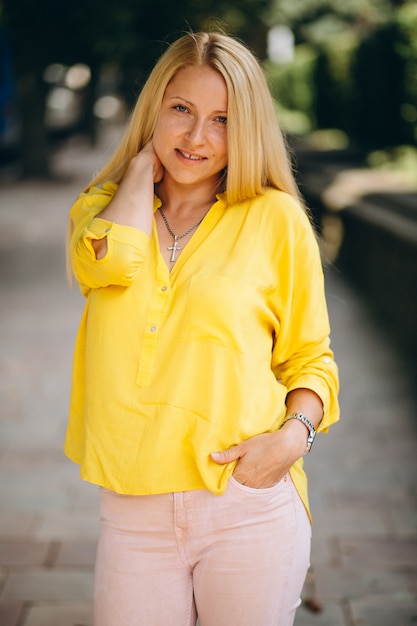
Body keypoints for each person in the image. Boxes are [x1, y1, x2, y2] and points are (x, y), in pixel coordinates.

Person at [65, 30, 339, 626]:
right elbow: (108, 264)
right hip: (133, 508)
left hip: (246, 502)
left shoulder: (275, 220)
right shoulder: (100, 208)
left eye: (222, 120)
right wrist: (139, 170)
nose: (196, 137)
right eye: (181, 111)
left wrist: (293, 438)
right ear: (153, 110)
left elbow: (311, 358)